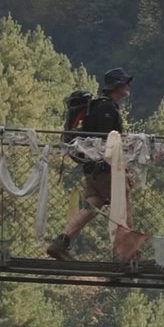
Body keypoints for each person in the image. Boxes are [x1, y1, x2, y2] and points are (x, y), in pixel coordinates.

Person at [47, 67, 133, 260]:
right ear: (117, 86)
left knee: (94, 204)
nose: (128, 86)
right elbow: (107, 142)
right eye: (125, 83)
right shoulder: (107, 108)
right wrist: (122, 170)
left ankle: (61, 241)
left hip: (92, 169)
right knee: (124, 203)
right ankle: (128, 254)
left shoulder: (97, 106)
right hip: (106, 169)